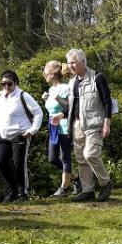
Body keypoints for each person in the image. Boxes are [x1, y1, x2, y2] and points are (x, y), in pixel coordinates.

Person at [67, 48, 115, 202]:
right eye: (69, 63)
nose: (71, 66)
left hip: (95, 123)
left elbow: (107, 101)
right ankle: (87, 190)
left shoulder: (97, 77)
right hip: (77, 124)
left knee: (90, 155)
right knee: (81, 159)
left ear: (83, 61)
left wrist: (107, 122)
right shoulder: (72, 82)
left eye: (73, 63)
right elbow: (72, 105)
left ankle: (105, 182)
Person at [0, 70, 43, 201]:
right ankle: (13, 190)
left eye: (9, 84)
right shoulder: (0, 95)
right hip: (2, 135)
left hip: (20, 134)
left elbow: (38, 112)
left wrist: (32, 130)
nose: (6, 87)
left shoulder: (23, 96)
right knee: (0, 163)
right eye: (2, 84)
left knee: (19, 164)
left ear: (15, 82)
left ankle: (22, 193)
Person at [43, 60, 78, 197]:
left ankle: (63, 188)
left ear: (52, 74)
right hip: (53, 127)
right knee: (52, 158)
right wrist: (46, 99)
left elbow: (69, 106)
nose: (44, 74)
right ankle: (76, 178)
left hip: (64, 126)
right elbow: (52, 109)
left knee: (65, 157)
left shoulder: (65, 87)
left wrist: (56, 97)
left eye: (45, 71)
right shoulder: (51, 89)